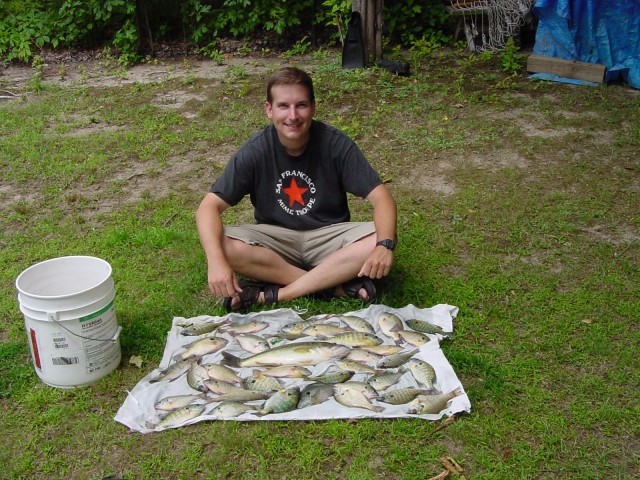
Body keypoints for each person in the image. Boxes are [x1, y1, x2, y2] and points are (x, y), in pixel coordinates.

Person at [196, 66, 397, 311]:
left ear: (313, 107)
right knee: (219, 243)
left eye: (301, 105)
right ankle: (333, 286)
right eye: (283, 106)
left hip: (328, 238)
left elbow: (382, 198)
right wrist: (216, 261)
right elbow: (209, 207)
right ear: (269, 109)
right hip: (277, 242)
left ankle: (277, 294)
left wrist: (384, 246)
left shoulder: (336, 144)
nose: (293, 115)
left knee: (382, 235)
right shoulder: (256, 150)